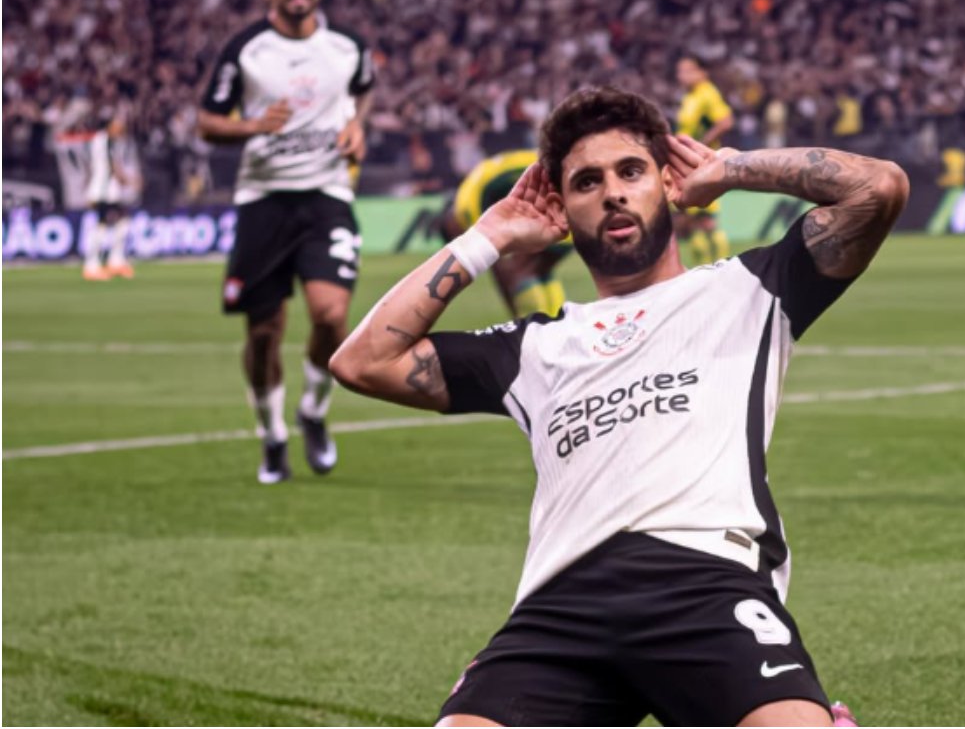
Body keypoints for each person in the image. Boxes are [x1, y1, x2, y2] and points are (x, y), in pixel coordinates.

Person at [331, 86, 907, 727]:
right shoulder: (535, 347)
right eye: (585, 182)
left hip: (706, 586)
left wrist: (728, 168)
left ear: (665, 181)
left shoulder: (749, 289)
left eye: (631, 171)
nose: (611, 193)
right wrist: (488, 236)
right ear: (562, 207)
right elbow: (361, 362)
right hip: (560, 609)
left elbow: (877, 189)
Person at [197, 0, 375, 484]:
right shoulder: (246, 50)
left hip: (326, 198)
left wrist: (356, 124)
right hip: (263, 202)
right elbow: (207, 121)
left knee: (330, 316)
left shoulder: (348, 46)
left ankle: (313, 413)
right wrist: (251, 126)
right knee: (263, 333)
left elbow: (363, 91)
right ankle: (272, 434)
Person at [443, 148, 573, 318]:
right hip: (572, 203)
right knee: (539, 270)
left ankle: (535, 328)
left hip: (563, 209)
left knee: (519, 271)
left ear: (450, 222)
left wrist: (514, 315)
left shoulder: (467, 207)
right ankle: (558, 323)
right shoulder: (472, 186)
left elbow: (499, 270)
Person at [675, 54, 735, 265]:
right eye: (680, 71)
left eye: (688, 70)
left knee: (706, 222)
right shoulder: (689, 96)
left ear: (702, 72)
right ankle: (705, 269)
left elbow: (726, 121)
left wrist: (702, 144)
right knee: (695, 222)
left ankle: (721, 265)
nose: (682, 75)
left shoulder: (707, 93)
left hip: (702, 165)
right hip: (688, 166)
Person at [82, 110, 141, 281]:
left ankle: (115, 261)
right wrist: (127, 180)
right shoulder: (106, 140)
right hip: (103, 189)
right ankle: (92, 265)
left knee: (121, 221)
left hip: (104, 188)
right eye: (117, 125)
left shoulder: (98, 140)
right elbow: (111, 163)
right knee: (102, 224)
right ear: (110, 126)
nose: (121, 129)